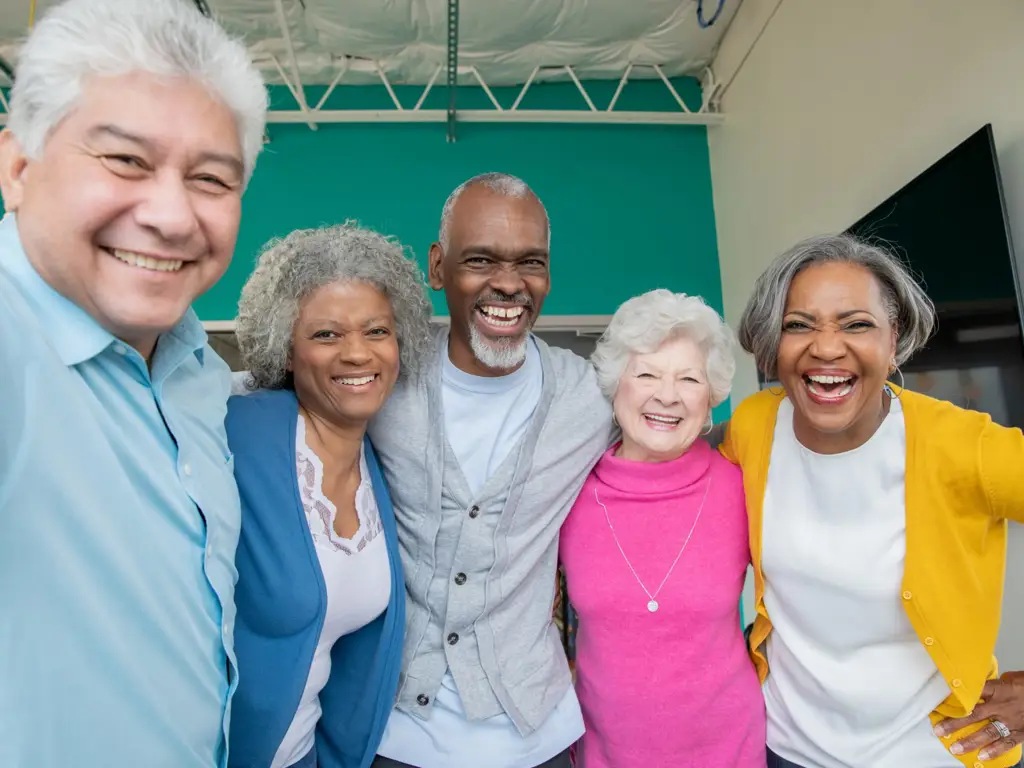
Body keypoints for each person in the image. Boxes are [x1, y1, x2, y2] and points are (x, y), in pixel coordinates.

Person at [0, 0, 267, 766]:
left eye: (212, 178)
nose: (173, 215)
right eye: (125, 161)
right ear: (18, 168)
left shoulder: (198, 375)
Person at [722, 233, 1024, 768]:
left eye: (856, 324)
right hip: (784, 749)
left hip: (934, 753)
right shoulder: (755, 425)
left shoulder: (964, 446)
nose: (826, 347)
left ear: (894, 338)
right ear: (775, 343)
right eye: (799, 325)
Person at [367, 172, 615, 768]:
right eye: (480, 260)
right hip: (394, 736)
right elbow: (256, 396)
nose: (508, 284)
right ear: (437, 267)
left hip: (536, 736)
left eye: (530, 262)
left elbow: (687, 427)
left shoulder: (595, 397)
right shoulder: (377, 378)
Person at [226, 224, 433, 768]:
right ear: (285, 349)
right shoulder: (234, 436)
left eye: (376, 331)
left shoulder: (378, 466)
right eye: (326, 335)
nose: (358, 354)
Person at [559, 289, 766, 767]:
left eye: (689, 378)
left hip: (729, 750)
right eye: (647, 373)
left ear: (710, 394)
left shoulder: (742, 486)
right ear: (616, 384)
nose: (667, 395)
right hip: (604, 752)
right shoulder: (569, 492)